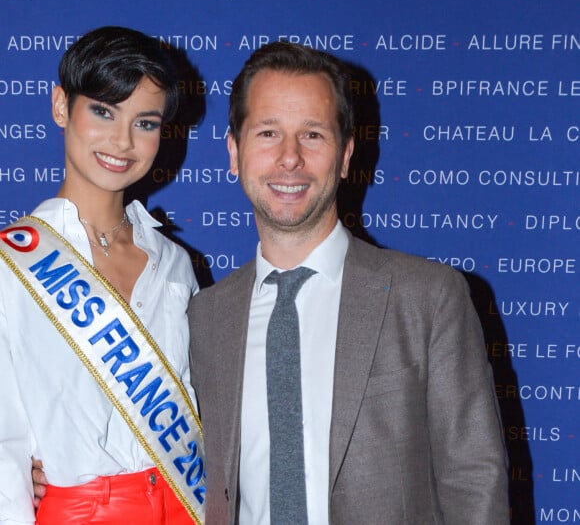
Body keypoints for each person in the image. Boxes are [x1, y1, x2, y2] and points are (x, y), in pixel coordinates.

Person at [188, 41, 510, 524]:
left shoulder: (428, 298)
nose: (290, 158)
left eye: (313, 135)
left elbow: (474, 481)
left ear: (345, 156)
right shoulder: (206, 315)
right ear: (234, 152)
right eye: (268, 132)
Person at [0, 26, 204, 524]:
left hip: (186, 506)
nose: (123, 141)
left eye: (146, 123)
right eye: (103, 111)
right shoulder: (11, 264)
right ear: (60, 105)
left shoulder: (175, 264)